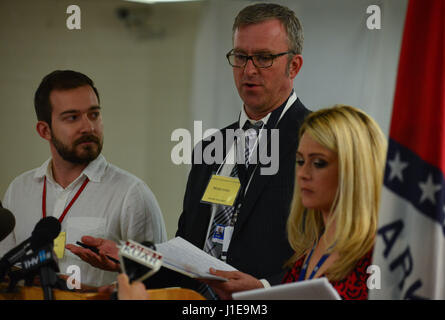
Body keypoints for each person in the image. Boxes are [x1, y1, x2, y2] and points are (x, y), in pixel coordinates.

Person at [69, 3, 310, 297]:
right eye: (241, 56)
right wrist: (128, 257)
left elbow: (337, 252)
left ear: (294, 65)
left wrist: (264, 288)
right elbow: (187, 255)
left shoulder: (319, 142)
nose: (249, 70)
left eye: (263, 58)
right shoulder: (211, 148)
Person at [0, 70, 167, 288]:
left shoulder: (132, 193)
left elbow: (159, 281)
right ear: (45, 130)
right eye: (72, 118)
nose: (88, 127)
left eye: (94, 114)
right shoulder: (19, 189)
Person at [200, 105, 387, 300]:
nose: (303, 174)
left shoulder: (381, 255)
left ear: (355, 169)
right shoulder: (310, 249)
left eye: (318, 163)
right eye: (300, 161)